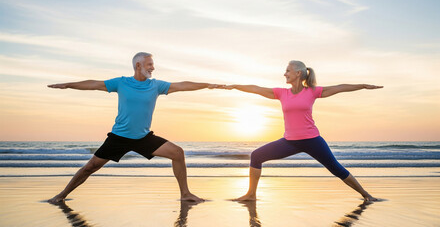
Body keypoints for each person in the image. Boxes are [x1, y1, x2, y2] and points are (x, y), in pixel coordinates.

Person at [47, 52, 219, 203]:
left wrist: (206, 85)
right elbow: (94, 84)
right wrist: (69, 84)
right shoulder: (121, 83)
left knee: (177, 153)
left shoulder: (156, 85)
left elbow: (182, 85)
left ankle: (185, 194)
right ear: (138, 65)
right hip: (119, 137)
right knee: (90, 167)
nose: (153, 68)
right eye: (150, 64)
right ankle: (62, 195)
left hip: (143, 138)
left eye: (152, 64)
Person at [222, 60, 382, 202]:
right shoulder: (281, 93)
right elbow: (256, 89)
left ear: (298, 73)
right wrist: (236, 86)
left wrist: (362, 86)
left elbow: (339, 88)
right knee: (256, 156)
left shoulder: (312, 91)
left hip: (312, 140)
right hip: (289, 142)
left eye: (287, 70)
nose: (284, 74)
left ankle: (365, 194)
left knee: (336, 168)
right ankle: (251, 194)